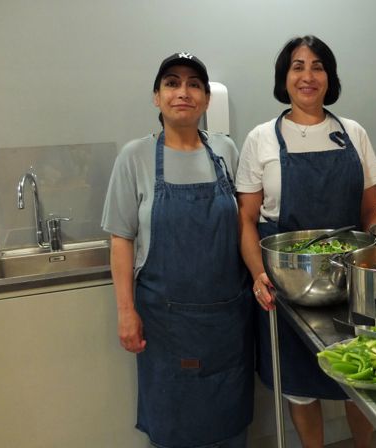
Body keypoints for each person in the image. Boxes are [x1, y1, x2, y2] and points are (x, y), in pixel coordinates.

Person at [236, 35, 376, 448]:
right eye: (297, 66)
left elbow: (372, 212)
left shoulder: (352, 133)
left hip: (350, 283)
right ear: (284, 78)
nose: (308, 76)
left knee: (360, 379)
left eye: (318, 66)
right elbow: (246, 219)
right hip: (287, 283)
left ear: (329, 77)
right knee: (299, 384)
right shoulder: (261, 138)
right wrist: (258, 274)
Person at [102, 52, 253, 448]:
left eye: (193, 84)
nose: (183, 92)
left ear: (206, 99)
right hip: (165, 325)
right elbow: (121, 240)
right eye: (171, 83)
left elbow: (244, 225)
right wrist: (125, 311)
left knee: (230, 424)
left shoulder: (226, 150)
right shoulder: (134, 157)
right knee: (174, 427)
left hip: (226, 319)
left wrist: (258, 277)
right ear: (157, 97)